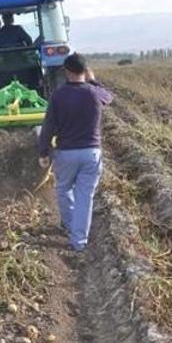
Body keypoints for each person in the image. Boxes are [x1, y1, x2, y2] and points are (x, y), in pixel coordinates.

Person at [37, 53, 114, 252]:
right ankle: (79, 242)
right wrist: (93, 80)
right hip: (91, 153)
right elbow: (109, 96)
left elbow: (48, 127)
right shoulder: (94, 93)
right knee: (85, 197)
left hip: (66, 154)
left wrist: (43, 152)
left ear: (66, 72)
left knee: (63, 190)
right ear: (84, 71)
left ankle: (71, 227)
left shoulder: (58, 95)